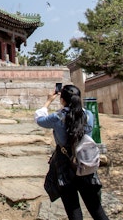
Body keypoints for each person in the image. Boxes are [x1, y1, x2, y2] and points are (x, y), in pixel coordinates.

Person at [35, 84, 109, 220]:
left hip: (65, 165)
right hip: (85, 162)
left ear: (62, 99)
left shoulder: (57, 117)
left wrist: (48, 101)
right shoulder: (88, 115)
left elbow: (39, 120)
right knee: (96, 209)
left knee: (73, 210)